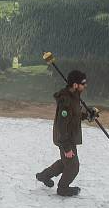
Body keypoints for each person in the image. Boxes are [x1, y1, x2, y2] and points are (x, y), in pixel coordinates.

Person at [35, 69, 99, 197]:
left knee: (66, 163)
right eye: (83, 83)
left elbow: (74, 116)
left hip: (68, 137)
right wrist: (67, 147)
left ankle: (44, 176)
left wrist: (87, 115)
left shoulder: (74, 97)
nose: (85, 85)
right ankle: (63, 188)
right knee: (73, 167)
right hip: (65, 138)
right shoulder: (66, 101)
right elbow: (62, 125)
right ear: (75, 85)